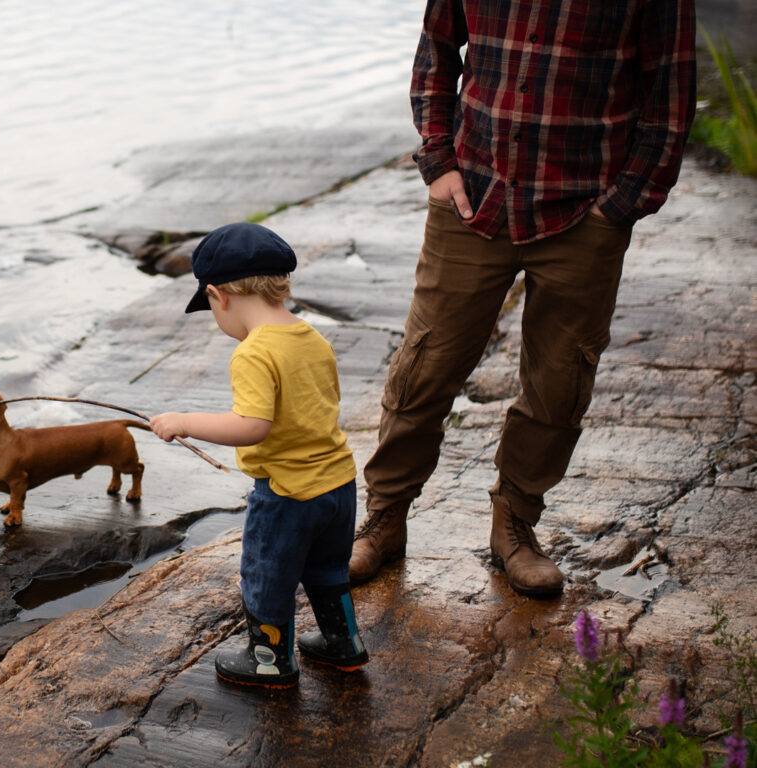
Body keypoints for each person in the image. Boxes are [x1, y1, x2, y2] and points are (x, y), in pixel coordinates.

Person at [351, 0, 696, 596]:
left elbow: (670, 93)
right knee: (425, 363)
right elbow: (436, 51)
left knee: (560, 380)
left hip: (584, 208)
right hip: (474, 198)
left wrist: (622, 206)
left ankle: (514, 523)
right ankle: (385, 517)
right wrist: (438, 160)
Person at [150, 221, 368, 690]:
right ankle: (343, 643)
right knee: (328, 569)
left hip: (288, 494)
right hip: (338, 485)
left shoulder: (253, 353)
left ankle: (269, 661)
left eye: (209, 306)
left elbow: (252, 426)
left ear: (219, 296)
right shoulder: (312, 338)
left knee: (267, 573)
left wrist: (184, 421)